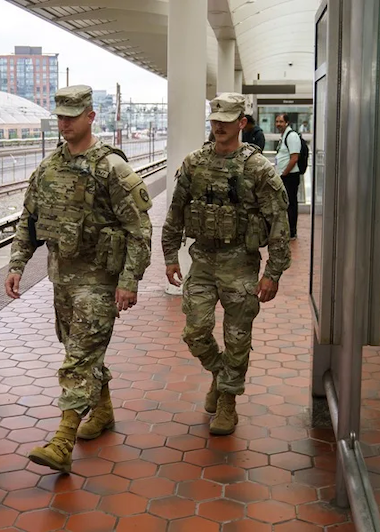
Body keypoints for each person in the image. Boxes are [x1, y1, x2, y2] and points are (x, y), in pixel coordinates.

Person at [5, 85, 153, 473]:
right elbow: (29, 220)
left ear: (91, 116)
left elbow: (139, 229)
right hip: (63, 281)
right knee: (82, 353)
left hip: (99, 282)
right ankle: (102, 413)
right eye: (60, 115)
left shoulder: (111, 169)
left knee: (78, 359)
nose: (65, 122)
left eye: (73, 114)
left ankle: (63, 440)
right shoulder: (48, 168)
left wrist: (129, 280)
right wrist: (17, 263)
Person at [162, 93, 291, 436]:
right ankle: (221, 375)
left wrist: (272, 273)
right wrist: (170, 256)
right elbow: (175, 211)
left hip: (241, 263)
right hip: (202, 260)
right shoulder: (194, 163)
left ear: (242, 123)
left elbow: (279, 221)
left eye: (227, 119)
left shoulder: (258, 167)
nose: (219, 125)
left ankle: (228, 402)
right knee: (195, 331)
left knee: (237, 337)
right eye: (215, 119)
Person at [275, 113, 301, 240]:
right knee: (285, 203)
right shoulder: (283, 136)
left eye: (281, 121)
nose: (278, 124)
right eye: (277, 121)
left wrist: (284, 173)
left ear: (287, 123)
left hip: (290, 176)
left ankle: (292, 231)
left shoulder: (292, 136)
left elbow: (294, 158)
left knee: (291, 204)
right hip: (285, 175)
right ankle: (287, 229)